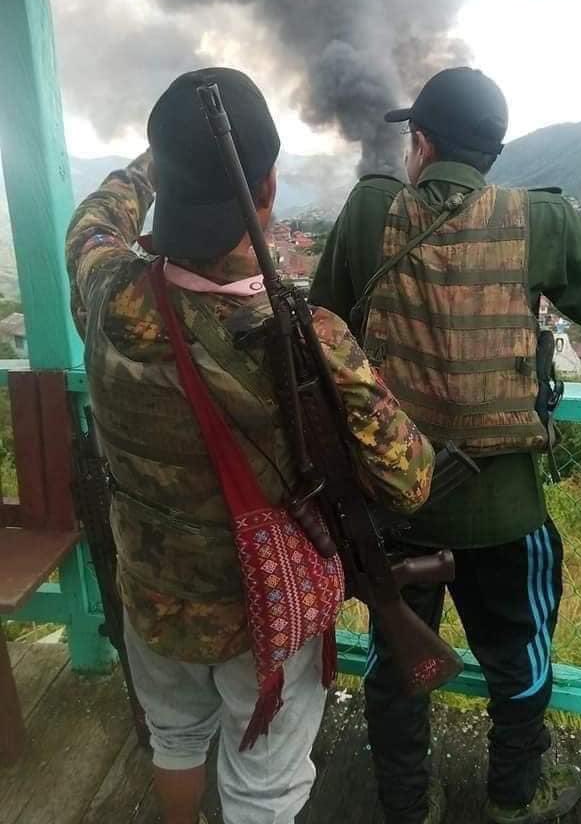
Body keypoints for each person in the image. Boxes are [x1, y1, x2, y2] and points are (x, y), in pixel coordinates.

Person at [310, 66, 581, 824]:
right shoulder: (542, 222)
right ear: (493, 152)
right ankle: (512, 798)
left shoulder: (371, 211)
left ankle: (406, 803)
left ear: (423, 143)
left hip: (395, 507)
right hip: (504, 506)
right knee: (521, 657)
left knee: (399, 662)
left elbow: (322, 333)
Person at [65, 67, 435, 824]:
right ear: (266, 187)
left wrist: (155, 160)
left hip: (152, 590)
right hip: (262, 613)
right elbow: (410, 481)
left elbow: (94, 220)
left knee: (173, 737)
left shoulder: (108, 293)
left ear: (166, 188)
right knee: (264, 783)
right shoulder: (310, 338)